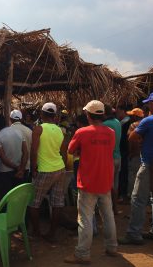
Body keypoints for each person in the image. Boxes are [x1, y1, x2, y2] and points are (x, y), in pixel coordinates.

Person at [64, 100, 117, 264]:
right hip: (105, 180)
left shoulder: (82, 132)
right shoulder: (110, 132)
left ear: (88, 115)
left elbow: (70, 150)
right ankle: (112, 247)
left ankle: (82, 253)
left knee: (85, 219)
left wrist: (82, 149)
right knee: (108, 215)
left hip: (88, 182)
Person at [119, 91, 153, 245]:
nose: (148, 104)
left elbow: (132, 137)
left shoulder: (150, 120)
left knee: (138, 198)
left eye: (150, 102)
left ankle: (134, 234)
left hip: (152, 164)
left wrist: (139, 145)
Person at [29, 102, 67, 242]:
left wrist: (33, 168)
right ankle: (52, 233)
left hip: (45, 170)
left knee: (34, 202)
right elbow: (63, 151)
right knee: (57, 202)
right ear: (55, 115)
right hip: (59, 168)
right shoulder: (60, 130)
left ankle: (36, 232)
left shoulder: (38, 129)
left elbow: (34, 151)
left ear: (42, 114)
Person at [0, 114, 28, 197]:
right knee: (18, 196)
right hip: (19, 171)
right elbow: (25, 152)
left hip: (5, 172)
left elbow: (3, 158)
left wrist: (17, 168)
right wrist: (21, 169)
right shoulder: (18, 132)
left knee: (6, 198)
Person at [103, 105, 122, 213]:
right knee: (115, 184)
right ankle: (115, 208)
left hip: (109, 158)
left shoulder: (105, 125)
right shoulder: (117, 122)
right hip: (118, 157)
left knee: (109, 186)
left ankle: (110, 209)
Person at [125, 108, 145, 200]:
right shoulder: (147, 123)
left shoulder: (133, 125)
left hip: (135, 155)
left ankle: (131, 196)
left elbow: (131, 141)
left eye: (131, 115)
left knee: (133, 176)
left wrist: (131, 153)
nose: (130, 117)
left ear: (135, 116)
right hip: (145, 155)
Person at [10, 109, 32, 182]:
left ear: (11, 119)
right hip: (27, 167)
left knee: (14, 191)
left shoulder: (7, 131)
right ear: (21, 119)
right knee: (25, 191)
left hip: (12, 168)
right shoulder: (29, 131)